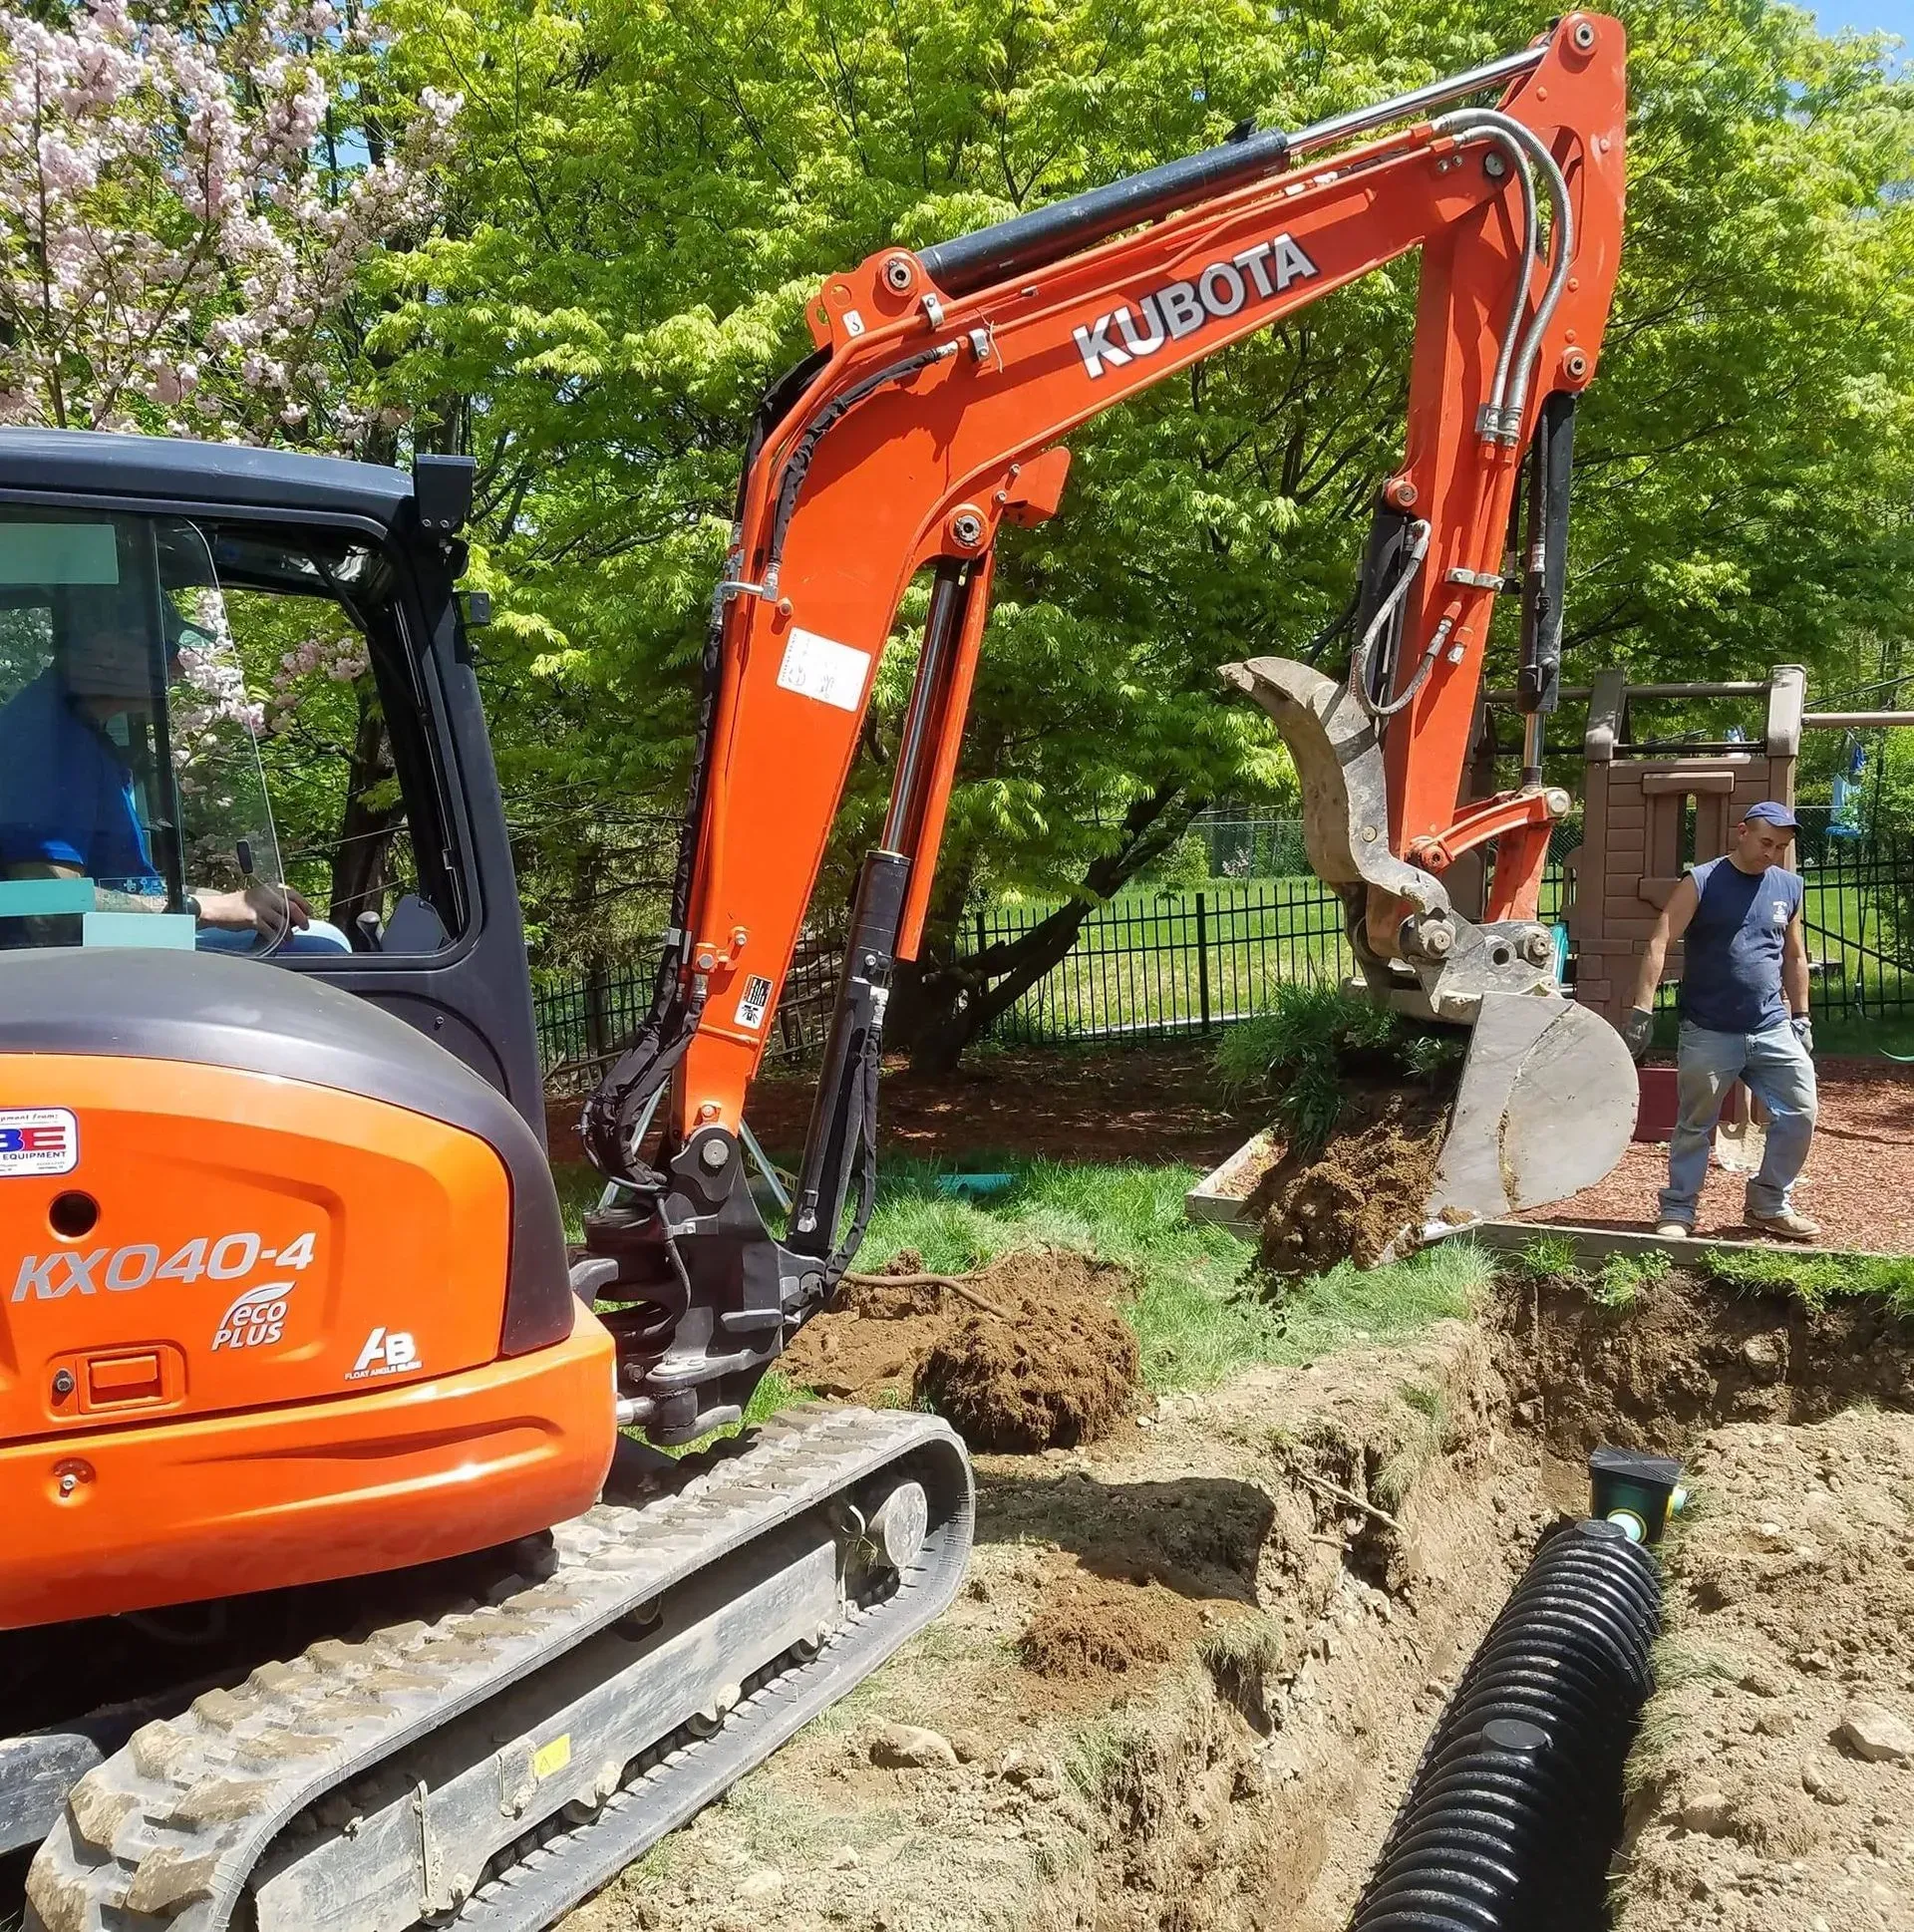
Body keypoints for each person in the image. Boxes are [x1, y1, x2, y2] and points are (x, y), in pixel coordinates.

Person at [0, 623, 341, 950]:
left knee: (325, 938)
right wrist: (205, 910)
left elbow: (129, 887)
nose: (179, 665)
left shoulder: (75, 731)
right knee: (325, 950)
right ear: (106, 650)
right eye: (165, 647)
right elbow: (45, 907)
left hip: (109, 956)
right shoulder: (46, 740)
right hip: (87, 973)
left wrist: (230, 901)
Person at [1624, 802, 1819, 1241]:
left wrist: (1802, 1017)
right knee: (1695, 1124)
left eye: (1781, 847)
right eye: (1766, 842)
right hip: (1709, 1029)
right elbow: (1660, 940)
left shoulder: (1788, 887)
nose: (1771, 853)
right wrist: (1642, 1009)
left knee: (1801, 1110)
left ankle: (1768, 1203)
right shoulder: (1703, 880)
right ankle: (1678, 1210)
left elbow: (1794, 955)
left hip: (1771, 1026)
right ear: (1742, 832)